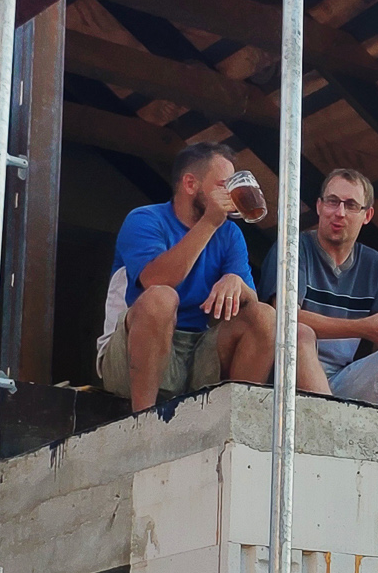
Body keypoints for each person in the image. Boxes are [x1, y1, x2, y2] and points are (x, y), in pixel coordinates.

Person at [96, 142, 277, 413]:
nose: (231, 194)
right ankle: (143, 421)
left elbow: (252, 304)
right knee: (161, 297)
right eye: (223, 185)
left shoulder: (230, 233)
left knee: (265, 316)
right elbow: (156, 280)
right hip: (136, 353)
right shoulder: (144, 219)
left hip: (200, 350)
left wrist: (237, 283)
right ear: (190, 184)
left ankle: (237, 420)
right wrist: (209, 223)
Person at [261, 168, 378, 415]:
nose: (339, 213)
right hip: (285, 380)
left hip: (343, 378)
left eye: (351, 205)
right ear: (319, 206)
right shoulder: (294, 248)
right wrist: (361, 327)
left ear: (367, 215)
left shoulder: (374, 263)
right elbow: (285, 317)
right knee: (300, 332)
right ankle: (328, 424)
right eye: (332, 202)